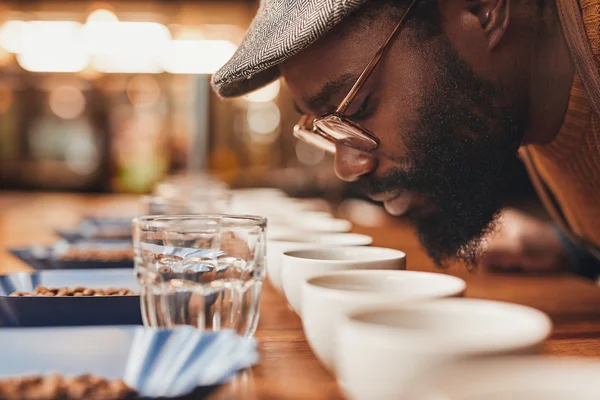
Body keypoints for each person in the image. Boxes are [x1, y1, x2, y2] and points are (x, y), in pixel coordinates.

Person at [212, 0, 600, 279]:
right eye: (324, 126)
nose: (346, 167)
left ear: (484, 10)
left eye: (359, 107)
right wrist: (572, 250)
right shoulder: (526, 105)